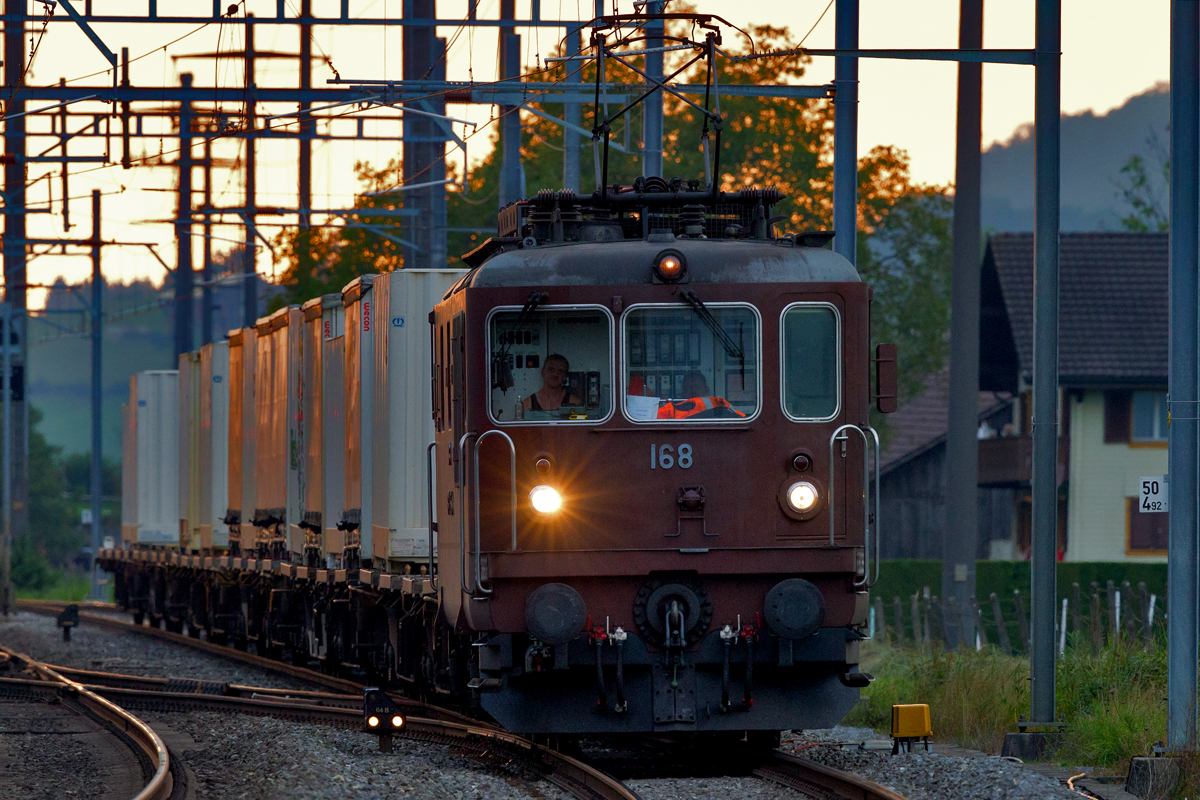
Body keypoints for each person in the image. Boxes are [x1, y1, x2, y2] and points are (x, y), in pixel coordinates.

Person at [657, 370, 746, 419]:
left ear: (706, 389)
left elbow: (742, 420)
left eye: (697, 387)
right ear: (683, 391)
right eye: (688, 387)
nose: (693, 391)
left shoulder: (719, 403)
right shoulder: (671, 409)